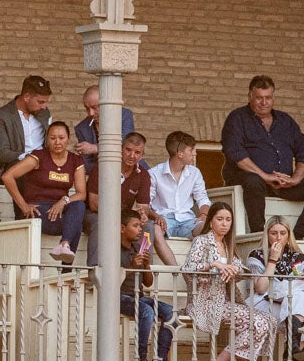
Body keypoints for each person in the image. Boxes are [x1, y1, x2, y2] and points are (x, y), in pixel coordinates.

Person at [221, 75, 304, 238]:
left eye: (268, 98)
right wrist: (265, 176)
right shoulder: (237, 118)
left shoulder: (286, 121)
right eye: (259, 98)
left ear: (273, 97)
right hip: (250, 181)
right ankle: (258, 234)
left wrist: (294, 179)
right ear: (250, 96)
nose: (264, 102)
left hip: (283, 183)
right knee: (253, 180)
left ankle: (301, 234)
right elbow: (235, 152)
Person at [182, 202, 272, 361]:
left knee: (265, 321)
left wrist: (235, 270)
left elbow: (242, 270)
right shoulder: (202, 241)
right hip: (204, 302)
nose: (224, 224)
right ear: (211, 221)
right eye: (220, 219)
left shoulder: (228, 245)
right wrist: (212, 265)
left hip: (224, 302)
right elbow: (187, 270)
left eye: (228, 220)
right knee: (258, 322)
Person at [1, 121, 86, 264]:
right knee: (76, 225)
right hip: (38, 211)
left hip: (58, 210)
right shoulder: (39, 156)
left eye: (61, 138)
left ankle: (64, 244)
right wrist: (23, 206)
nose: (57, 142)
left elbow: (81, 193)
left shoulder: (75, 161)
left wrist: (63, 201)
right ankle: (65, 271)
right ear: (47, 139)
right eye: (53, 138)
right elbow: (7, 176)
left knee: (79, 206)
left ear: (68, 139)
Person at [247, 216, 304, 361]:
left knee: (298, 296)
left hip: (287, 307)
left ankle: (293, 349)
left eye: (282, 233)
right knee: (299, 302)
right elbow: (260, 288)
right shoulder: (257, 255)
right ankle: (297, 360)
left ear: (288, 235)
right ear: (267, 235)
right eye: (273, 233)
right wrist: (272, 259)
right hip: (263, 304)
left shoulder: (297, 256)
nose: (278, 238)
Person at [85, 131, 173, 266]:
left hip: (124, 217)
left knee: (147, 225)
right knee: (101, 223)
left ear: (142, 155)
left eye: (137, 152)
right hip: (97, 214)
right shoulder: (103, 167)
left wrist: (142, 214)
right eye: (128, 150)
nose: (132, 156)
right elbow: (94, 204)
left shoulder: (143, 174)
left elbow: (143, 206)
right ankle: (95, 272)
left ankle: (142, 270)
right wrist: (127, 213)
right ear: (121, 149)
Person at [118, 209, 176, 361]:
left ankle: (159, 359)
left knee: (171, 313)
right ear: (122, 228)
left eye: (139, 226)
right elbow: (111, 280)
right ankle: (140, 360)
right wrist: (132, 266)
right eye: (135, 226)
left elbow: (148, 283)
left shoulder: (138, 247)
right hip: (118, 296)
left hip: (139, 295)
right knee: (146, 311)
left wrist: (145, 265)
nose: (139, 230)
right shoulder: (113, 249)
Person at [0, 75, 52, 213]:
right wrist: (30, 159)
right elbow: (2, 152)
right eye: (40, 102)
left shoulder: (44, 113)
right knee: (20, 169)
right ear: (27, 97)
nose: (44, 106)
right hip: (16, 164)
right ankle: (24, 216)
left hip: (43, 164)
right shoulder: (0, 116)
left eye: (45, 102)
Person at [150, 131, 210, 240]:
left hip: (188, 221)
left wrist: (204, 215)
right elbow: (146, 204)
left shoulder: (195, 172)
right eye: (191, 150)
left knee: (210, 228)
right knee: (154, 229)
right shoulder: (154, 173)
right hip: (164, 220)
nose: (194, 154)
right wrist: (156, 217)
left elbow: (202, 198)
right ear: (180, 153)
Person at [72, 83, 137, 176]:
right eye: (87, 108)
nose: (90, 113)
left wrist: (95, 148)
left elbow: (127, 144)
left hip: (130, 170)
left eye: (95, 107)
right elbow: (87, 162)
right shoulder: (82, 128)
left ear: (105, 103)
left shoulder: (123, 115)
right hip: (100, 175)